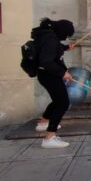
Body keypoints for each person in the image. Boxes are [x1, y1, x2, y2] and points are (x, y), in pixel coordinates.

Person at [31, 18, 77, 149]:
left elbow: (54, 49)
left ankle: (44, 122)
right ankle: (50, 137)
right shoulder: (50, 39)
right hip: (50, 75)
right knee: (63, 103)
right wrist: (63, 73)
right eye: (67, 34)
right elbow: (46, 61)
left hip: (47, 75)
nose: (66, 37)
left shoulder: (48, 37)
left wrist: (67, 48)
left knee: (58, 101)